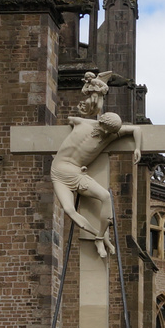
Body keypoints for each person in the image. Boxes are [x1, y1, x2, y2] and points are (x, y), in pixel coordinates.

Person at [49, 110, 139, 258]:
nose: (104, 132)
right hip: (58, 173)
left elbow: (136, 129)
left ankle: (100, 238)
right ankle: (101, 238)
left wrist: (137, 148)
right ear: (101, 122)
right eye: (104, 128)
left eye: (108, 131)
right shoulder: (82, 123)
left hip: (76, 174)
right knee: (69, 210)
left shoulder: (110, 135)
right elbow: (70, 119)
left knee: (105, 196)